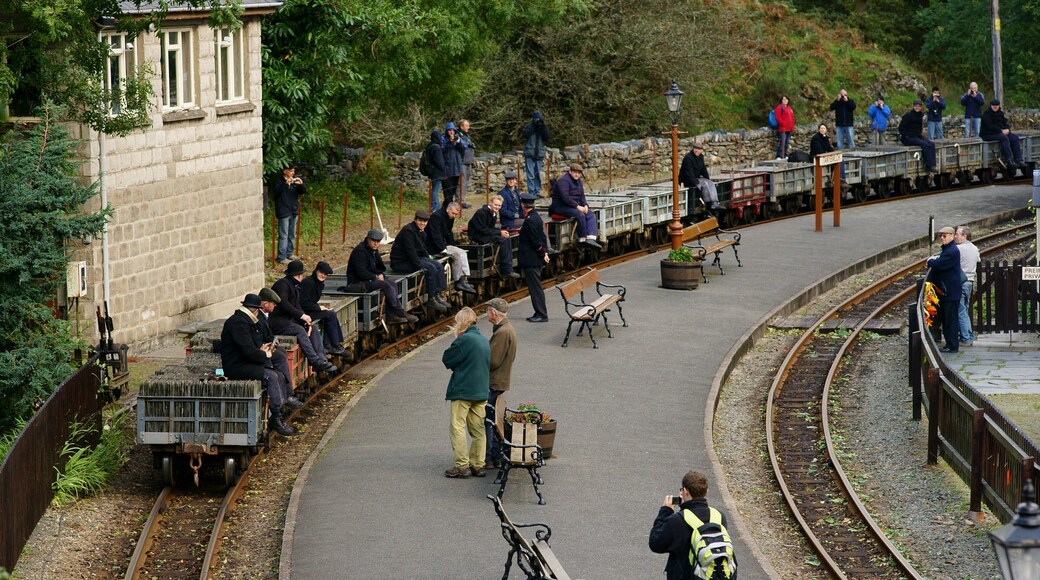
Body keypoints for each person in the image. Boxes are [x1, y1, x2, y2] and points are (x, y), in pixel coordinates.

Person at [220, 294, 295, 436]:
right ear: (254, 311)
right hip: (237, 367)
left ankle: (280, 408)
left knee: (278, 374)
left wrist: (261, 348)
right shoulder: (239, 323)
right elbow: (247, 350)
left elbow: (248, 347)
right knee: (271, 376)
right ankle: (276, 417)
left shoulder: (242, 321)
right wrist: (264, 354)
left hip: (244, 362)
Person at [649, 470, 736, 580]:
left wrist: (666, 511)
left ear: (685, 491)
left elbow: (655, 543)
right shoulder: (719, 516)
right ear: (706, 491)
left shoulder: (678, 520)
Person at [442, 307, 490, 478]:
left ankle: (462, 466)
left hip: (463, 391)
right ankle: (478, 464)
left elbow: (447, 359)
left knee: (457, 427)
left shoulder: (464, 340)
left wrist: (456, 339)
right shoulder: (483, 339)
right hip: (481, 391)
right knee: (478, 430)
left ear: (462, 322)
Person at [270, 260, 338, 374]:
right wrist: (301, 316)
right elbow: (284, 303)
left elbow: (297, 305)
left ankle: (321, 359)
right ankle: (314, 360)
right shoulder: (282, 284)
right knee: (300, 331)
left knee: (313, 328)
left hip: (288, 321)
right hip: (278, 322)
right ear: (299, 275)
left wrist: (306, 320)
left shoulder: (292, 286)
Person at [344, 229, 418, 325]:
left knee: (392, 284)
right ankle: (400, 311)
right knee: (386, 285)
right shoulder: (360, 251)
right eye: (373, 241)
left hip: (368, 279)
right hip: (357, 282)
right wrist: (375, 277)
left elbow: (380, 267)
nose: (375, 244)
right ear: (368, 239)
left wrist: (380, 274)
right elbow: (360, 272)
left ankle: (391, 315)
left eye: (378, 242)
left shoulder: (373, 251)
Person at [390, 209, 450, 313]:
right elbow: (410, 251)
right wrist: (421, 266)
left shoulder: (421, 231)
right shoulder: (408, 231)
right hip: (401, 262)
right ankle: (431, 298)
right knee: (430, 268)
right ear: (415, 220)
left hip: (413, 258)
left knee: (438, 266)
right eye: (420, 221)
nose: (422, 223)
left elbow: (423, 248)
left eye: (425, 221)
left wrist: (428, 259)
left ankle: (438, 294)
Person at [257, 287, 305, 411]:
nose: (275, 306)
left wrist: (273, 340)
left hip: (263, 349)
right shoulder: (259, 317)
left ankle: (287, 393)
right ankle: (288, 393)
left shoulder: (263, 316)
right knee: (280, 357)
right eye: (273, 303)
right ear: (266, 303)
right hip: (259, 352)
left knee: (281, 353)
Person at [484, 298, 516, 467]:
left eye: (487, 310)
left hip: (494, 382)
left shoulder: (502, 332)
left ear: (494, 313)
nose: (486, 314)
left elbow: (493, 361)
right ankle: (495, 456)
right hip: (500, 380)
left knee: (489, 421)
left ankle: (489, 457)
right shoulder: (506, 329)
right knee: (494, 419)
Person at [297, 261, 349, 357]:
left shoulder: (319, 283)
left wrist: (320, 308)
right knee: (330, 314)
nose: (323, 275)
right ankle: (335, 345)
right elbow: (303, 302)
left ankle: (329, 344)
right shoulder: (308, 282)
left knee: (330, 313)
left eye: (325, 274)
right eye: (321, 272)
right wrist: (319, 308)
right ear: (316, 271)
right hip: (303, 313)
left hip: (309, 310)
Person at [426, 202, 477, 294]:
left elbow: (448, 233)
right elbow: (435, 235)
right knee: (456, 255)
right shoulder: (436, 216)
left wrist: (452, 245)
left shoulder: (449, 217)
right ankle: (458, 280)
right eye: (453, 213)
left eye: (456, 214)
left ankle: (464, 279)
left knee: (463, 252)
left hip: (443, 244)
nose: (454, 216)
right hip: (433, 246)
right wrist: (443, 249)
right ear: (447, 209)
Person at [927, 227, 963, 353]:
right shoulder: (949, 249)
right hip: (948, 291)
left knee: (950, 320)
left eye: (945, 235)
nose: (942, 238)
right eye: (941, 236)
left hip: (950, 292)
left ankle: (952, 345)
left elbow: (939, 264)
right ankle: (950, 343)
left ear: (952, 236)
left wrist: (930, 261)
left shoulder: (951, 251)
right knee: (947, 319)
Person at [468, 195, 520, 280]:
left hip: (484, 234)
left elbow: (490, 229)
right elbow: (482, 229)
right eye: (496, 205)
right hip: (477, 236)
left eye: (499, 205)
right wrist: (499, 232)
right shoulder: (481, 213)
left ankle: (509, 268)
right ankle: (506, 270)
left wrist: (501, 232)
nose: (497, 207)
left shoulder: (493, 213)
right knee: (502, 240)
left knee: (507, 237)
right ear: (490, 203)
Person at [550, 163, 601, 249]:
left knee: (591, 214)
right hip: (560, 206)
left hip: (572, 205)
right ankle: (582, 238)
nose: (577, 174)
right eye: (575, 172)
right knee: (579, 215)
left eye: (579, 173)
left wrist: (585, 205)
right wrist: (577, 206)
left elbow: (582, 196)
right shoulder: (563, 181)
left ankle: (591, 238)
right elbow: (565, 197)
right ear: (570, 172)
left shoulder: (578, 181)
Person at [518, 193, 550, 322]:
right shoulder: (536, 217)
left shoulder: (530, 220)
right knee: (536, 287)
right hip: (536, 258)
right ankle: (539, 312)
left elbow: (536, 241)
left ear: (523, 205)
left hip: (531, 259)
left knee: (535, 288)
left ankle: (541, 314)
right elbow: (542, 236)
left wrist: (542, 253)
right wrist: (545, 252)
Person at [272, 164, 306, 264]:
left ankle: (289, 253)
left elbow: (303, 192)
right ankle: (281, 257)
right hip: (283, 211)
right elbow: (276, 192)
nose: (293, 173)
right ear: (285, 171)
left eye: (293, 171)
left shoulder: (294, 182)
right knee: (283, 235)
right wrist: (285, 184)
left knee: (292, 234)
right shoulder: (279, 182)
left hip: (293, 211)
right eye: (291, 171)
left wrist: (301, 184)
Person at [980, 99, 1024, 173]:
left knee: (1014, 138)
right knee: (1003, 138)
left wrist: (1007, 129)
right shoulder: (986, 115)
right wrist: (1001, 131)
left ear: (998, 106)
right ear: (991, 106)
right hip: (988, 134)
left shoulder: (1000, 113)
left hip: (1000, 132)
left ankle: (1018, 159)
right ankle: (1009, 160)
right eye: (993, 106)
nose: (995, 107)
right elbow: (990, 126)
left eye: (996, 106)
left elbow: (1005, 123)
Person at [955, 226, 980, 347]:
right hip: (970, 282)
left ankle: (965, 338)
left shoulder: (959, 249)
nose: (955, 236)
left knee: (961, 311)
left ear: (964, 236)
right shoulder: (975, 248)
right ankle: (968, 335)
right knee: (964, 310)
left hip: (960, 282)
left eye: (957, 234)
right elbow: (978, 260)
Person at [898, 100, 937, 173]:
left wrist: (920, 135)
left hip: (917, 136)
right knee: (924, 145)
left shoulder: (920, 116)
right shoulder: (908, 115)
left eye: (919, 106)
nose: (917, 107)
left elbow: (919, 128)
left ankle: (933, 165)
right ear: (913, 106)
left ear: (921, 107)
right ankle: (928, 166)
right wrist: (906, 135)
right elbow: (901, 128)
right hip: (908, 138)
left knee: (931, 144)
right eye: (916, 106)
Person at [679, 142, 720, 210]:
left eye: (698, 149)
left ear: (701, 150)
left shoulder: (701, 157)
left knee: (711, 183)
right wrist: (696, 183)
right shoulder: (688, 158)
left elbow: (703, 169)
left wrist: (708, 179)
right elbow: (689, 173)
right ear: (693, 149)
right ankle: (709, 203)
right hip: (687, 180)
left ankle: (714, 202)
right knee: (704, 184)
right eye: (695, 148)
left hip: (696, 177)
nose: (697, 150)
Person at [521, 111, 550, 196]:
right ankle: (531, 192)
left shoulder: (543, 127)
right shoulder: (529, 126)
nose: (537, 120)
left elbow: (547, 137)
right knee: (530, 174)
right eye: (536, 118)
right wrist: (533, 126)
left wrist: (543, 127)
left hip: (539, 154)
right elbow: (524, 135)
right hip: (530, 153)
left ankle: (537, 192)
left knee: (537, 174)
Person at [441, 122, 466, 206]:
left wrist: (459, 142)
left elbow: (464, 148)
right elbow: (441, 149)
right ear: (446, 131)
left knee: (453, 188)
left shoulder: (458, 138)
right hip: (447, 168)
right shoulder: (443, 139)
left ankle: (447, 205)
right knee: (447, 189)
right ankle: (448, 206)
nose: (451, 132)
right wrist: (449, 142)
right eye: (449, 130)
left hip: (457, 168)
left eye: (453, 130)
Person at [423, 130, 446, 212]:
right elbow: (439, 161)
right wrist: (444, 169)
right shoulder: (436, 148)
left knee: (434, 189)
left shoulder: (429, 146)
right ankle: (435, 207)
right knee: (435, 190)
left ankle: (435, 206)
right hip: (437, 172)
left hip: (432, 171)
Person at [457, 119, 476, 209]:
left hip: (468, 162)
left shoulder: (466, 135)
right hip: (462, 162)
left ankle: (462, 200)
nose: (469, 127)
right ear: (461, 126)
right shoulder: (458, 136)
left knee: (465, 182)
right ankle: (459, 201)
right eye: (467, 126)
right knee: (461, 182)